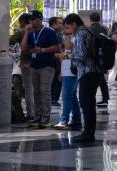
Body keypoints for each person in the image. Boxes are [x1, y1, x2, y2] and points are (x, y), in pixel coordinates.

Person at [65, 14, 102, 144]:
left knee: (87, 104)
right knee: (88, 103)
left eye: (68, 27)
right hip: (89, 72)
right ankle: (88, 132)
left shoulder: (81, 34)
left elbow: (82, 55)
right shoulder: (85, 32)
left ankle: (88, 133)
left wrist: (67, 56)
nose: (68, 30)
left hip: (88, 72)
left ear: (74, 24)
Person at [22, 11, 61, 127]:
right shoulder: (31, 33)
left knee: (45, 91)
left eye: (33, 19)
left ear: (40, 19)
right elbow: (23, 49)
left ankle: (45, 116)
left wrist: (43, 50)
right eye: (30, 20)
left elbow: (57, 47)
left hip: (46, 66)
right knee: (36, 92)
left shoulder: (49, 32)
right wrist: (26, 33)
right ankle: (37, 115)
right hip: (34, 66)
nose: (31, 22)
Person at [54, 22, 81, 131]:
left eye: (67, 27)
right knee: (72, 96)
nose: (64, 29)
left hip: (71, 71)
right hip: (67, 71)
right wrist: (61, 72)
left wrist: (60, 55)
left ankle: (64, 120)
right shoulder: (68, 38)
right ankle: (76, 119)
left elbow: (68, 53)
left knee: (66, 96)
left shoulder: (73, 38)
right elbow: (65, 55)